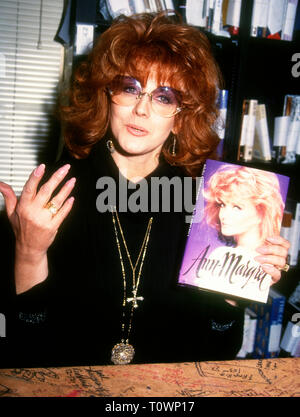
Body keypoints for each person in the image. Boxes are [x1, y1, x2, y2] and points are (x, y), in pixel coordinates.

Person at [0, 12, 289, 368]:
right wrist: (28, 253)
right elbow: (29, 349)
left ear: (181, 116)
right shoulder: (56, 193)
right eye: (129, 87)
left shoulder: (207, 204)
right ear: (107, 95)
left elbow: (218, 352)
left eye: (163, 97)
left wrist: (235, 288)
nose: (141, 109)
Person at [183, 164, 288, 302]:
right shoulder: (221, 255)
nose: (224, 215)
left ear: (261, 213)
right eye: (222, 205)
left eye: (237, 207)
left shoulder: (222, 256)